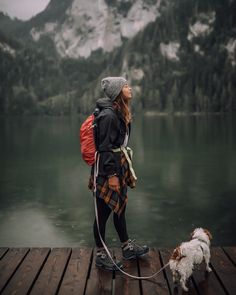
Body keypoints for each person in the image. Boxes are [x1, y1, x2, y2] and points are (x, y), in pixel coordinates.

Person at [89, 76, 149, 271]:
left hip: (117, 165)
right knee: (103, 212)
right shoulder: (108, 116)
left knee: (120, 208)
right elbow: (105, 147)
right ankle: (100, 254)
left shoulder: (118, 112)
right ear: (117, 93)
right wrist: (112, 175)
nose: (129, 88)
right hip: (108, 169)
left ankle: (126, 247)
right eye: (125, 86)